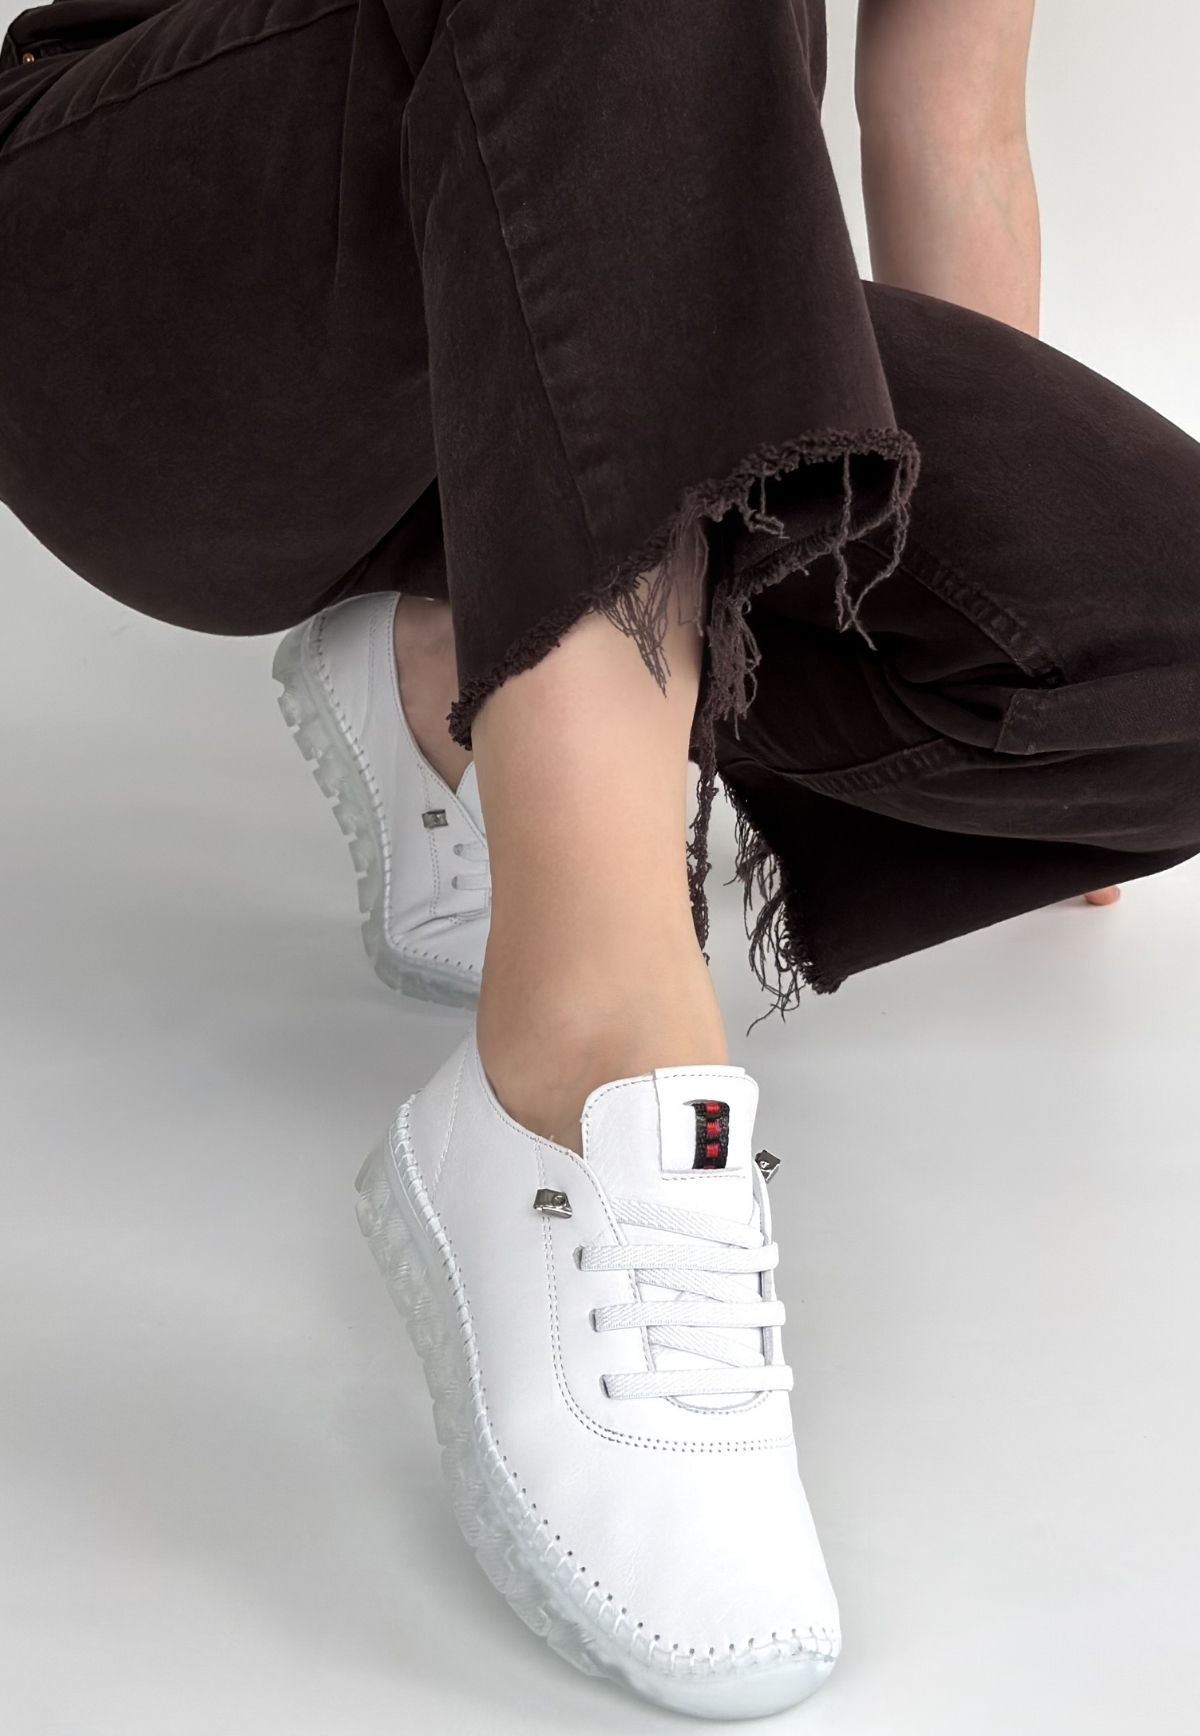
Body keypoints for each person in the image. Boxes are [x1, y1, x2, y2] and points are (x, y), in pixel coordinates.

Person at [2, 0, 1197, 1718]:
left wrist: (944, 580)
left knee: (1165, 648)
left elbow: (954, 119)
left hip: (588, 301)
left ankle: (459, 671)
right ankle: (581, 1065)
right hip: (181, 292)